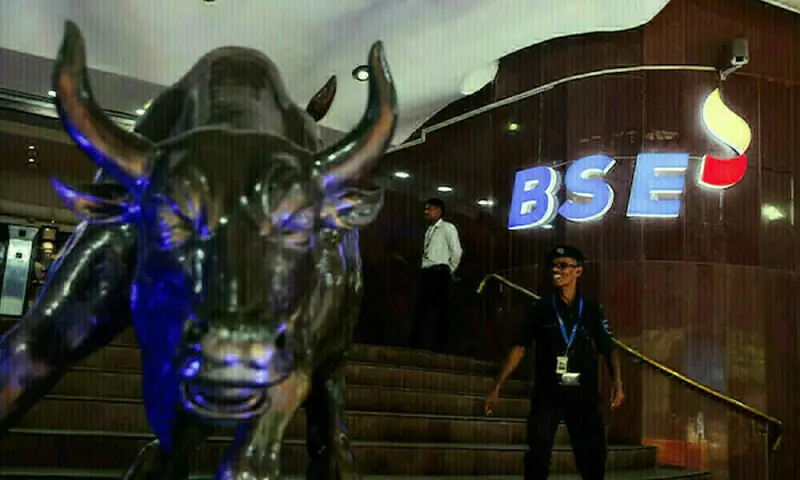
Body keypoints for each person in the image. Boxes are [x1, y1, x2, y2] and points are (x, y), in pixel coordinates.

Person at [484, 245, 624, 480]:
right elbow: (519, 347)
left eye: (563, 265)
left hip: (583, 394)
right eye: (553, 266)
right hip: (547, 393)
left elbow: (609, 349)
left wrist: (618, 383)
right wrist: (497, 384)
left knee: (593, 457)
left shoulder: (591, 311)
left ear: (578, 271)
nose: (556, 270)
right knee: (537, 455)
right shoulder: (540, 308)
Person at [409, 198, 462, 351]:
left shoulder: (447, 228)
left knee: (441, 311)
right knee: (421, 309)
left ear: (439, 211)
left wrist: (449, 270)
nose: (426, 212)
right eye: (426, 209)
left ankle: (440, 346)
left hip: (440, 272)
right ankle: (417, 343)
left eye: (430, 209)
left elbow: (457, 251)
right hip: (427, 272)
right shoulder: (429, 230)